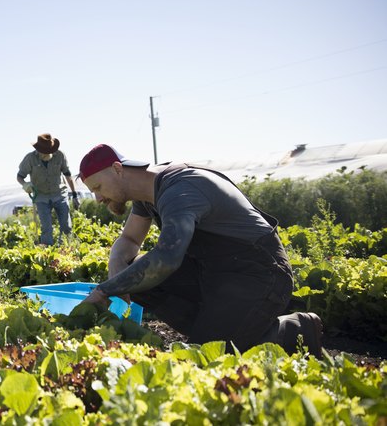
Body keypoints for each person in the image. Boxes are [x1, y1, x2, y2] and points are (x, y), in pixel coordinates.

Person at [77, 143, 323, 356]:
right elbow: (129, 240)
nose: (98, 199)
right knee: (131, 273)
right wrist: (117, 281)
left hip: (259, 273)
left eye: (98, 187)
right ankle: (221, 328)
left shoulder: (180, 189)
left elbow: (166, 258)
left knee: (206, 354)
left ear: (118, 169)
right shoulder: (146, 191)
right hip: (217, 272)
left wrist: (104, 291)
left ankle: (291, 331)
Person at [17, 134, 79, 246]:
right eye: (43, 151)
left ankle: (66, 248)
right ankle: (47, 252)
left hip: (60, 194)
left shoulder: (60, 156)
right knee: (46, 227)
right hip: (41, 197)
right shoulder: (30, 159)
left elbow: (68, 175)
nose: (46, 154)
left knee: (66, 225)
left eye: (48, 151)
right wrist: (25, 185)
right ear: (38, 149)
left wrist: (74, 195)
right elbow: (19, 176)